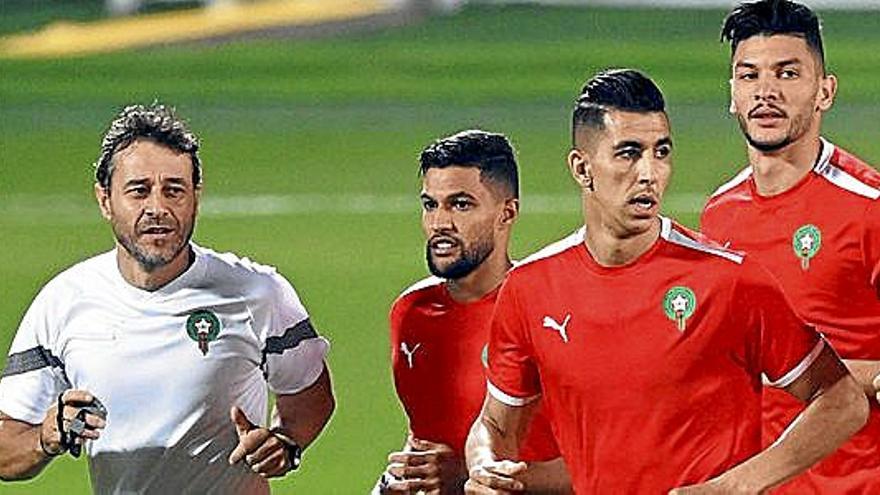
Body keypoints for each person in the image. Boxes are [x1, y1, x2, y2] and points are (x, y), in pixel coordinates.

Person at [464, 68, 868, 494]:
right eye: (628, 153)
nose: (649, 173)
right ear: (582, 169)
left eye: (661, 152)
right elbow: (494, 422)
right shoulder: (531, 288)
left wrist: (734, 487)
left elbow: (842, 401)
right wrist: (484, 463)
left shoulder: (730, 281)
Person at [0, 103, 335, 493]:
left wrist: (285, 443)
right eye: (139, 191)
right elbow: (6, 445)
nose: (158, 208)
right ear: (105, 199)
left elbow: (310, 394)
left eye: (174, 190)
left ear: (196, 196)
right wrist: (45, 436)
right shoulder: (63, 302)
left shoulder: (257, 294)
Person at [701, 1, 880, 491]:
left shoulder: (870, 208)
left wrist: (812, 376)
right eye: (749, 75)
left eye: (787, 73)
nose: (766, 92)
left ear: (825, 92)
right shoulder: (720, 214)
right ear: (732, 95)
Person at [375, 130, 570, 494]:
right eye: (430, 204)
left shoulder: (555, 313)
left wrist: (471, 475)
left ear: (507, 213)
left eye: (460, 204)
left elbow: (612, 462)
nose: (439, 224)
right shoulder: (411, 313)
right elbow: (426, 439)